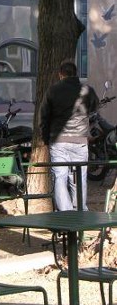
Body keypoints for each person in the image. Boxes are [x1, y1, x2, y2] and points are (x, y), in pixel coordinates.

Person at [40, 60, 99, 211]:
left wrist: (46, 139)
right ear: (76, 74)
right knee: (79, 177)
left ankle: (66, 213)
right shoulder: (87, 90)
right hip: (80, 140)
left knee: (60, 177)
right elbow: (95, 107)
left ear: (60, 74)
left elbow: (44, 117)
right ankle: (80, 210)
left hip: (58, 141)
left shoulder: (52, 90)